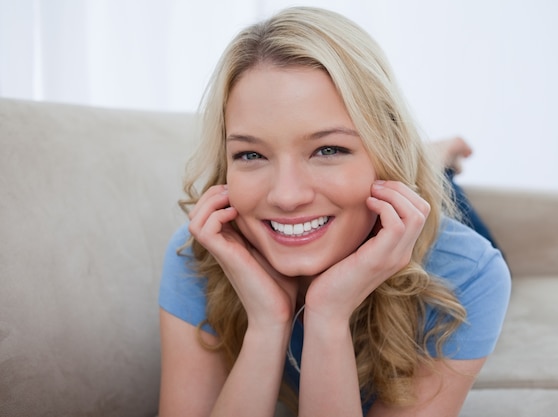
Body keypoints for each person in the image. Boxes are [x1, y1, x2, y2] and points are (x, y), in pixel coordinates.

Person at [158, 6, 510, 417]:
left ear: (387, 149)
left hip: (422, 219)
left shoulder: (469, 271)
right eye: (251, 153)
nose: (287, 197)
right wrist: (268, 324)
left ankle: (436, 162)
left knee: (440, 190)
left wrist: (327, 314)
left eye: (329, 149)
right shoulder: (201, 253)